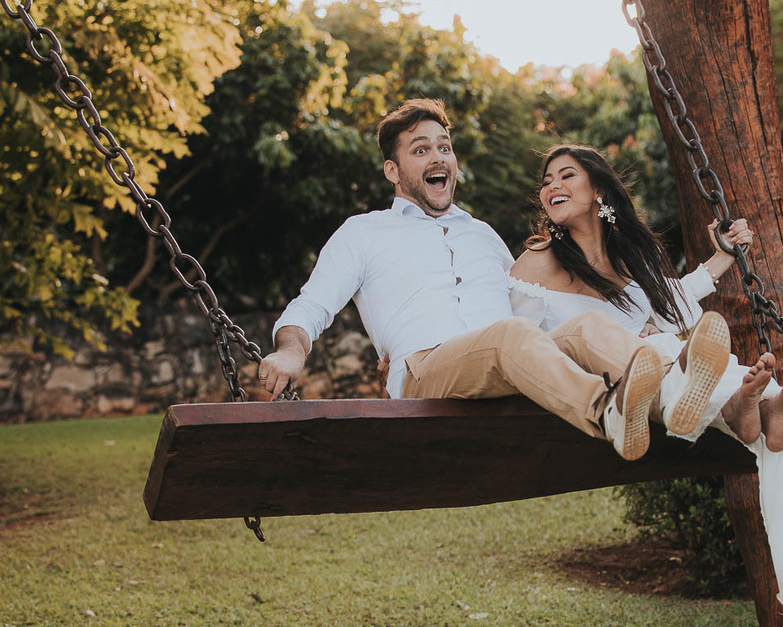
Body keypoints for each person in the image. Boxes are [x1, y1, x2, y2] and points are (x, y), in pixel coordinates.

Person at [259, 98, 733, 465]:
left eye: (444, 147)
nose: (438, 156)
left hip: (506, 364)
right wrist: (290, 352)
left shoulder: (483, 235)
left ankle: (673, 392)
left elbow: (537, 308)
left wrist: (639, 325)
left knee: (585, 326)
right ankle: (605, 413)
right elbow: (311, 305)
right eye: (420, 150)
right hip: (428, 371)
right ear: (393, 171)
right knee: (510, 336)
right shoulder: (363, 233)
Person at [508, 143, 783, 618]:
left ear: (599, 189)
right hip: (599, 382)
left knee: (677, 353)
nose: (552, 186)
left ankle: (759, 411)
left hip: (652, 369)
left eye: (566, 175)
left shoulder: (629, 255)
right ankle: (741, 409)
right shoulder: (535, 262)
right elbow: (516, 338)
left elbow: (673, 305)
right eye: (546, 181)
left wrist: (724, 256)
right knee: (671, 356)